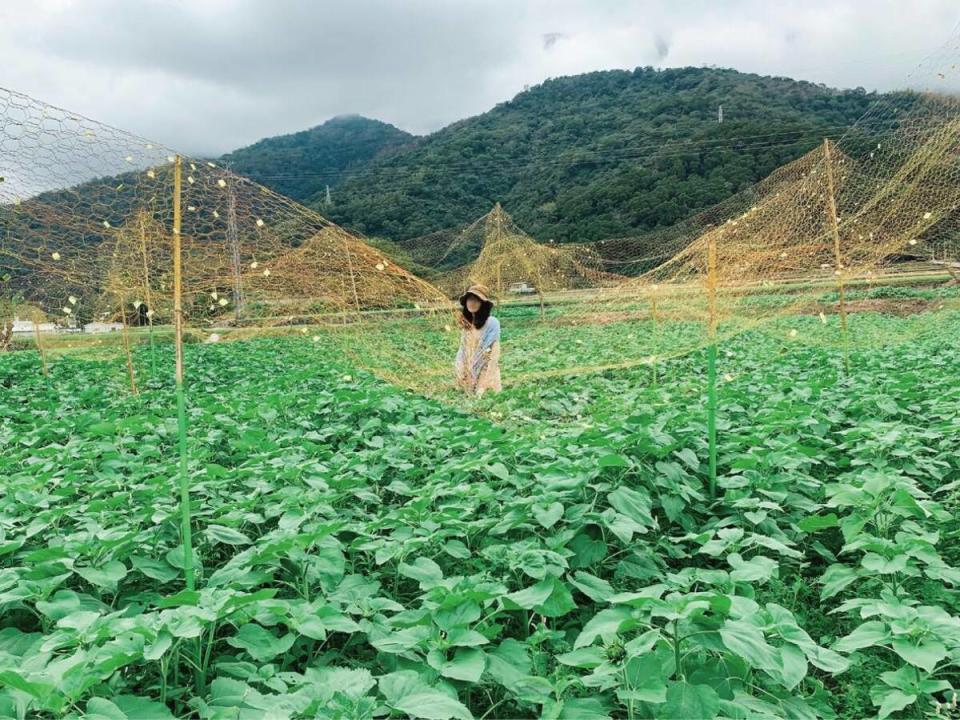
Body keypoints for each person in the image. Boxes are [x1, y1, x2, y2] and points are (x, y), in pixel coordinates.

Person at [455, 284, 501, 396]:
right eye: (470, 299)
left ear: (483, 304)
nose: (472, 303)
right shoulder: (467, 325)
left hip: (486, 371)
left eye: (477, 300)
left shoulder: (492, 323)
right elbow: (463, 349)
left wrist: (483, 383)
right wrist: (460, 369)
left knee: (484, 399)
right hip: (469, 372)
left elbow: (492, 353)